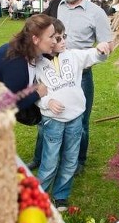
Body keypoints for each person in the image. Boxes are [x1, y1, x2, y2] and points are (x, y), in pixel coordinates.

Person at [28, 0, 113, 174]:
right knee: (45, 116)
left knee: (80, 121)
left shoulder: (97, 13)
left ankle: (78, 162)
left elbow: (107, 43)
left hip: (80, 76)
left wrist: (102, 49)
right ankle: (40, 158)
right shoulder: (55, 5)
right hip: (50, 72)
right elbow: (38, 30)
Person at [35, 19, 111, 210]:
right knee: (50, 162)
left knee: (70, 160)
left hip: (75, 119)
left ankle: (61, 195)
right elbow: (32, 92)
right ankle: (39, 197)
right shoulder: (35, 64)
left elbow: (93, 55)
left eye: (64, 37)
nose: (62, 42)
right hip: (53, 121)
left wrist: (101, 49)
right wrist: (46, 102)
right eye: (57, 38)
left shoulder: (74, 56)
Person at [0, 14, 55, 115]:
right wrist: (37, 94)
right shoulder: (16, 61)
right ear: (35, 39)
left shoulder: (29, 51)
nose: (55, 41)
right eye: (51, 37)